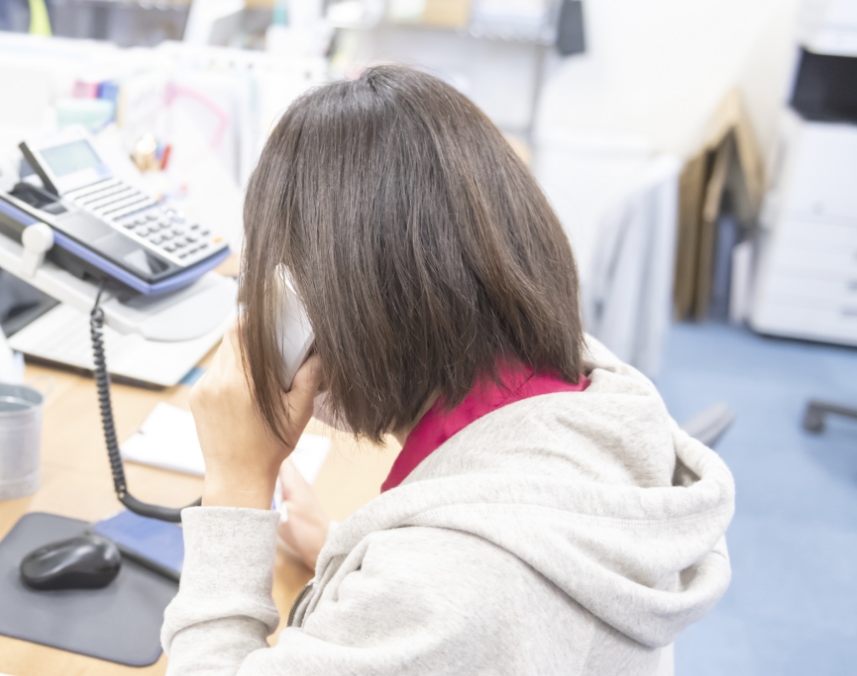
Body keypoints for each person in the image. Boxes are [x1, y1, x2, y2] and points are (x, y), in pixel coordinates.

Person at [162, 65, 735, 675]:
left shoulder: (446, 582)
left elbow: (456, 596)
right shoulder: (586, 383)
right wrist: (343, 554)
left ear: (339, 304)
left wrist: (236, 485)